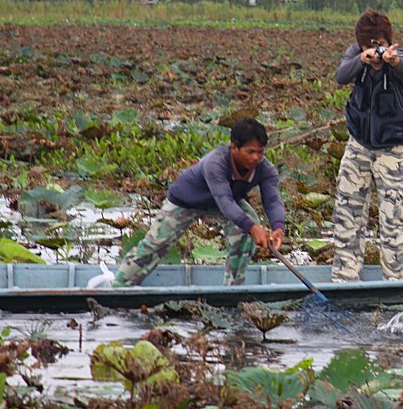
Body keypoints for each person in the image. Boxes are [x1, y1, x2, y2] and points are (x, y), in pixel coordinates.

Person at [114, 118, 285, 287]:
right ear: (234, 147)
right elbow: (224, 201)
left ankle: (234, 288)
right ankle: (120, 285)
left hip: (227, 202)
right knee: (156, 244)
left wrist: (278, 227)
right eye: (250, 152)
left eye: (260, 152)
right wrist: (253, 228)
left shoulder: (265, 169)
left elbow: (272, 200)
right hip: (187, 201)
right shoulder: (216, 162)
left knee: (246, 228)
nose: (256, 158)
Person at [331, 9, 403, 283]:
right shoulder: (355, 56)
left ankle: (395, 281)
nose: (374, 51)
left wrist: (391, 60)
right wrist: (362, 59)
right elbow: (340, 76)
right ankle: (344, 278)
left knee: (395, 215)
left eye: (378, 44)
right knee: (347, 209)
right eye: (367, 46)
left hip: (393, 147)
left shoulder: (400, 57)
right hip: (359, 143)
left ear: (388, 40)